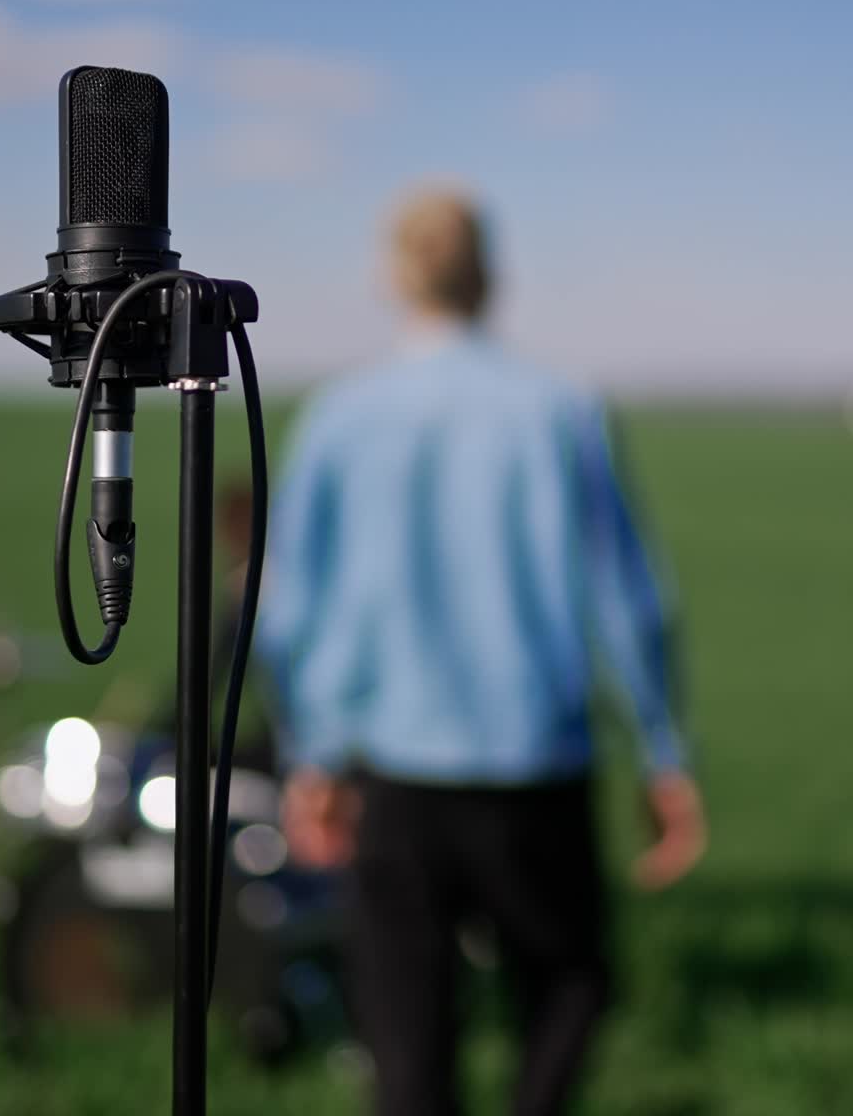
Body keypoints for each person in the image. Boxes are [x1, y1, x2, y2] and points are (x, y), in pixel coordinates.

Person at [258, 188, 706, 1116]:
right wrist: (663, 752)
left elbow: (293, 608)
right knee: (569, 983)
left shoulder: (343, 417)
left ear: (392, 278)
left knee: (408, 1043)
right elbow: (633, 601)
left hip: (396, 770)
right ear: (491, 278)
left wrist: (313, 755)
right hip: (536, 764)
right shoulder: (561, 410)